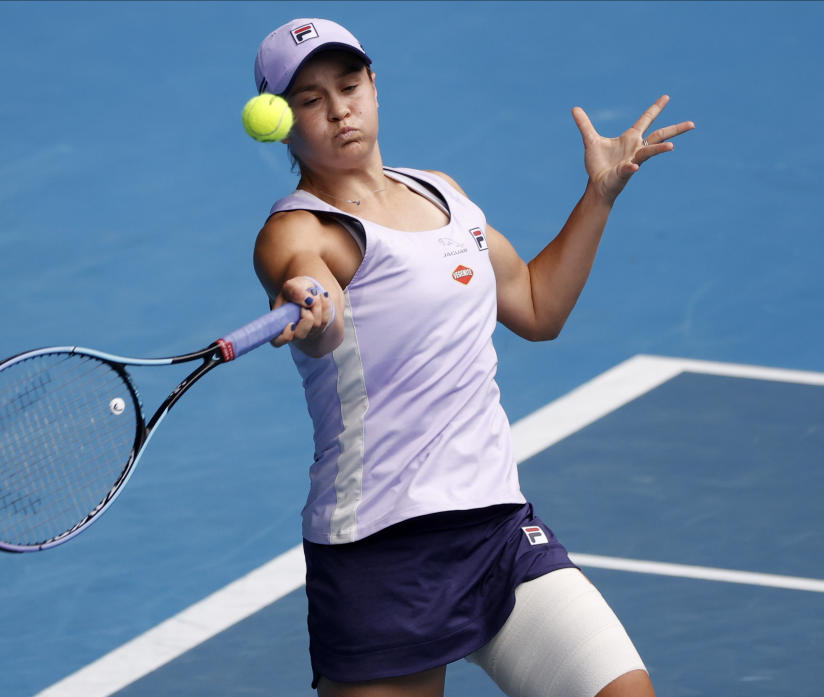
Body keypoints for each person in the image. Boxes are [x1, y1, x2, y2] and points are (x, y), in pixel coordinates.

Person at [251, 17, 694, 697]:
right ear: (281, 120)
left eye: (349, 85)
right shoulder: (300, 229)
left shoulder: (443, 194)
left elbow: (539, 307)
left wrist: (599, 195)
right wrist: (313, 308)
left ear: (374, 85)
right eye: (311, 100)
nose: (340, 109)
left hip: (497, 529)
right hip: (381, 550)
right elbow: (317, 300)